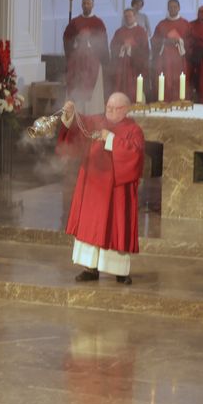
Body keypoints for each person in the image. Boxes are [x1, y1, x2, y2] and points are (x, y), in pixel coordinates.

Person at [56, 92, 144, 285]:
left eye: (115, 108)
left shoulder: (133, 129)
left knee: (115, 226)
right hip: (93, 186)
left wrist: (110, 138)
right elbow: (81, 125)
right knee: (91, 226)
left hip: (116, 190)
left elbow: (135, 154)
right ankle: (90, 268)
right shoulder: (97, 120)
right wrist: (71, 114)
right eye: (108, 107)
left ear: (126, 110)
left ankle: (119, 271)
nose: (110, 111)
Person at [62, 0, 110, 111]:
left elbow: (103, 41)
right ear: (81, 5)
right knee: (77, 84)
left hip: (93, 60)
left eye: (88, 3)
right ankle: (76, 110)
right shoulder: (74, 22)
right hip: (77, 60)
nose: (86, 5)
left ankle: (92, 111)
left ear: (93, 5)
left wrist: (91, 41)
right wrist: (77, 39)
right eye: (84, 3)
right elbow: (67, 38)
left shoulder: (98, 22)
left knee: (92, 87)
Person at [151, 0, 190, 98]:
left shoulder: (185, 24)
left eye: (175, 7)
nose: (172, 9)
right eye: (170, 7)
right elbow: (154, 41)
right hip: (165, 60)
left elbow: (191, 42)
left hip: (179, 60)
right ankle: (164, 103)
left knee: (179, 82)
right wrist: (165, 41)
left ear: (179, 8)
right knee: (165, 82)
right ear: (168, 9)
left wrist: (180, 41)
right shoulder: (161, 24)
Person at [109, 8, 150, 99]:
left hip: (134, 68)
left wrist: (131, 48)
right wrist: (122, 47)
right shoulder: (119, 31)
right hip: (121, 68)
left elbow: (145, 50)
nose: (128, 18)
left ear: (135, 17)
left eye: (130, 16)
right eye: (126, 16)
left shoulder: (141, 31)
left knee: (134, 90)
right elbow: (113, 46)